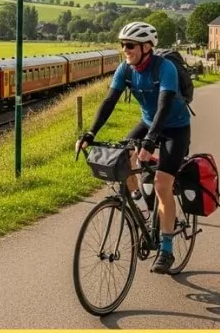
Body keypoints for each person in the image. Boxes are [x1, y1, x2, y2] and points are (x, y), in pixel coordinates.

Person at [75, 21, 192, 274]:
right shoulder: (125, 69)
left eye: (130, 45)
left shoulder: (165, 68)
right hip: (148, 122)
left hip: (175, 127)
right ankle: (141, 205)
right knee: (122, 157)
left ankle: (167, 249)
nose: (125, 49)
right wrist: (90, 133)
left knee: (162, 183)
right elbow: (109, 101)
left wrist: (150, 140)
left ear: (147, 47)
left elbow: (164, 105)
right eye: (123, 45)